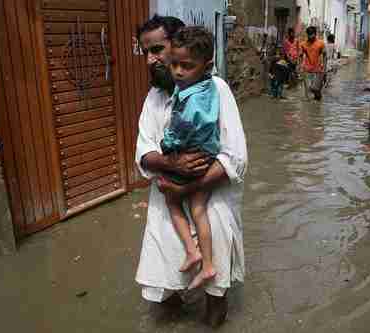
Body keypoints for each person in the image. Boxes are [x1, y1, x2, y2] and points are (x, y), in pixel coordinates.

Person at [135, 15, 247, 327]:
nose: (151, 59)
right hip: (168, 198)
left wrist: (186, 187)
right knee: (166, 290)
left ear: (177, 46)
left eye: (158, 49)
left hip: (210, 198)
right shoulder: (154, 98)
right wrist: (171, 164)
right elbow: (143, 152)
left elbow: (235, 156)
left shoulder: (217, 90)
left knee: (215, 298)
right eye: (145, 52)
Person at [159, 26, 219, 291]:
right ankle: (207, 265)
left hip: (190, 157)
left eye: (187, 66)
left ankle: (192, 251)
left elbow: (181, 131)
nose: (178, 72)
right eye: (174, 65)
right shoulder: (208, 87)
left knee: (171, 199)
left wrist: (166, 144)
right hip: (208, 155)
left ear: (206, 67)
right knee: (198, 209)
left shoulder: (190, 98)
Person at [301, 26, 327, 100]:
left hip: (318, 70)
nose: (310, 36)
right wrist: (300, 67)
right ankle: (308, 109)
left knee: (314, 89)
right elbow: (300, 55)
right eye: (309, 34)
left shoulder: (321, 43)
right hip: (306, 69)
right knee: (308, 92)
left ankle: (318, 98)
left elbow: (325, 55)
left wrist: (324, 68)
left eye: (312, 34)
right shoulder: (303, 44)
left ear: (315, 34)